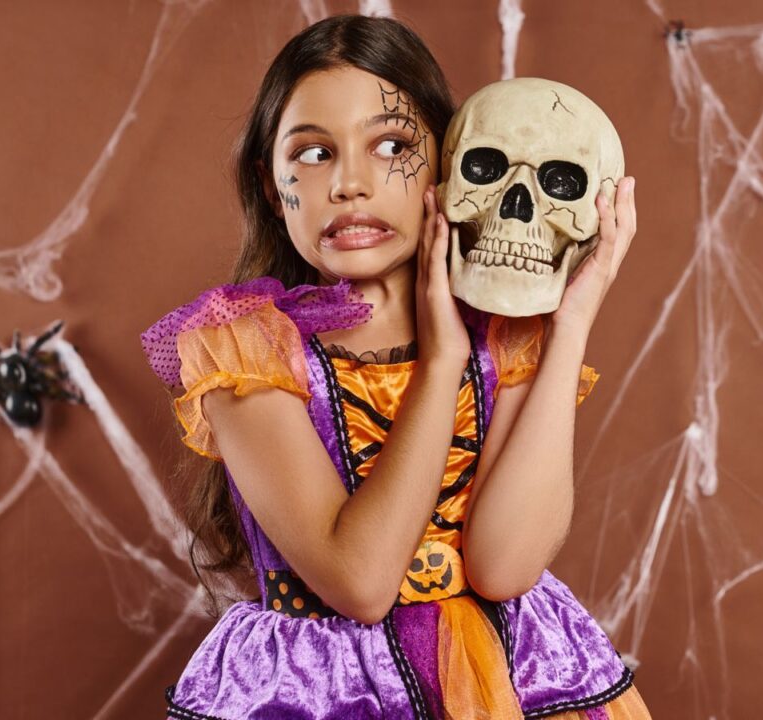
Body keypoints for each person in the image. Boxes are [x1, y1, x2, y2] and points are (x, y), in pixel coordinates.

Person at [140, 14, 647, 720]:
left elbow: (504, 568)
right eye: (314, 153)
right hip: (318, 696)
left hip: (514, 679)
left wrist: (571, 322)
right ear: (269, 181)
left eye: (391, 146)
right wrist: (441, 364)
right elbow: (362, 582)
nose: (351, 183)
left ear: (444, 160)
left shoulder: (505, 342)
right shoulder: (247, 354)